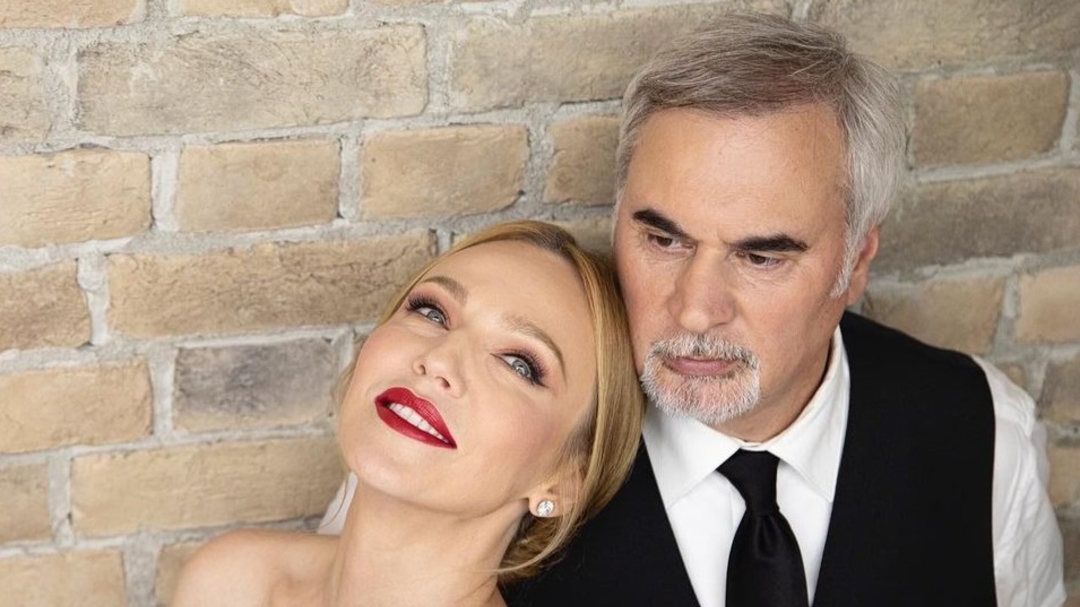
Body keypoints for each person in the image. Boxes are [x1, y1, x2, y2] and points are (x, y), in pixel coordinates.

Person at [499, 12, 1064, 607]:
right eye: (664, 240)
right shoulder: (519, 434)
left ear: (856, 261)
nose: (695, 312)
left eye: (761, 257)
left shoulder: (986, 434)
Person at [170, 221, 644, 607]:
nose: (439, 360)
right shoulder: (231, 581)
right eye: (431, 312)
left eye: (518, 363)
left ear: (566, 482)